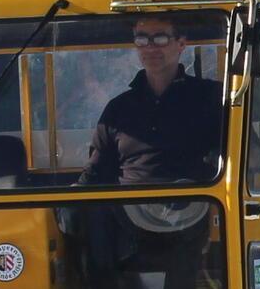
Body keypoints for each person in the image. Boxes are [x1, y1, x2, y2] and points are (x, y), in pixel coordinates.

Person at [78, 16, 224, 186]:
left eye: (160, 39)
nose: (150, 47)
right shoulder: (118, 109)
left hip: (202, 206)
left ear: (181, 44)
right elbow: (94, 174)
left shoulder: (212, 97)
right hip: (126, 209)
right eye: (142, 39)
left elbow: (249, 157)